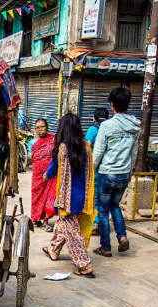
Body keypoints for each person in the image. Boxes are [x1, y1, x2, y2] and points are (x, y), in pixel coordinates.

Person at [42, 114, 96, 278]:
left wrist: (46, 175)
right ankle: (53, 249)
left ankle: (83, 264)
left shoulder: (63, 149)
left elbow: (54, 166)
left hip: (67, 198)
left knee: (72, 231)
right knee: (63, 223)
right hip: (83, 197)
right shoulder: (86, 147)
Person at [93, 87, 140, 257]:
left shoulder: (106, 126)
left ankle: (105, 247)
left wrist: (90, 169)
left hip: (107, 173)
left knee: (103, 210)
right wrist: (130, 170)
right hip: (123, 173)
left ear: (111, 105)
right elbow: (134, 152)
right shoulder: (135, 125)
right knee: (115, 205)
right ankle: (122, 237)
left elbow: (97, 153)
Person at [85, 108, 110, 234]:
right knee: (104, 198)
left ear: (94, 118)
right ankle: (102, 223)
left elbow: (87, 147)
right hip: (109, 168)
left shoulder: (93, 130)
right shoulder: (110, 129)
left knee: (94, 197)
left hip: (95, 168)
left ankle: (95, 224)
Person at [30, 118, 57, 230]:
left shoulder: (53, 139)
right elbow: (33, 158)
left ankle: (45, 220)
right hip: (37, 174)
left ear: (47, 127)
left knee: (49, 196)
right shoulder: (32, 142)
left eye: (43, 127)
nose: (40, 129)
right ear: (35, 130)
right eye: (38, 127)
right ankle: (36, 219)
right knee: (36, 197)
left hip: (50, 173)